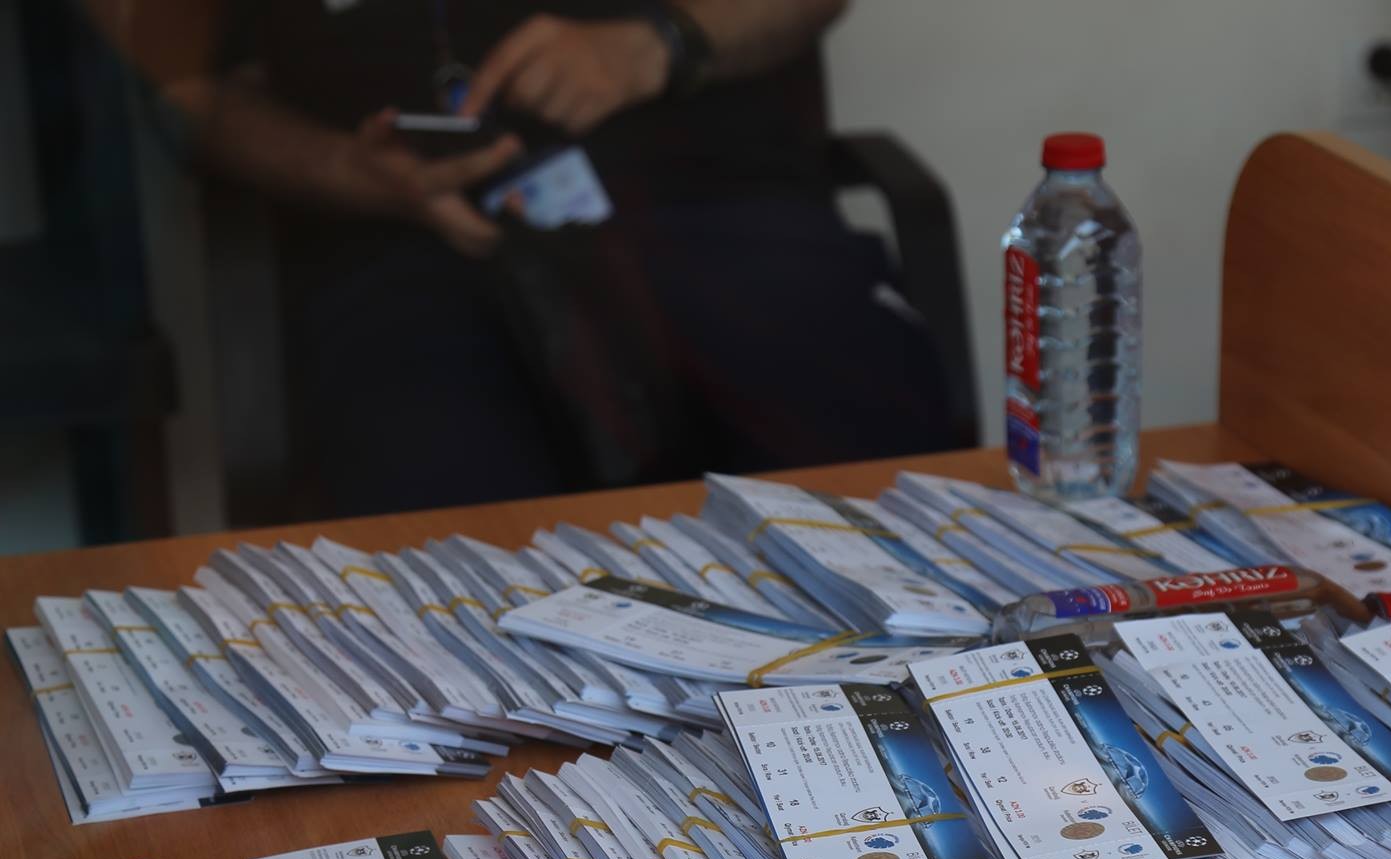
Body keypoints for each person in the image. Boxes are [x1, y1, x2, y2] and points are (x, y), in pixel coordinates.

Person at [100, 0, 955, 515]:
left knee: (877, 507)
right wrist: (345, 171)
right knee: (447, 570)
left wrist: (660, 40)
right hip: (402, 245)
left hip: (709, 204)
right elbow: (188, 93)